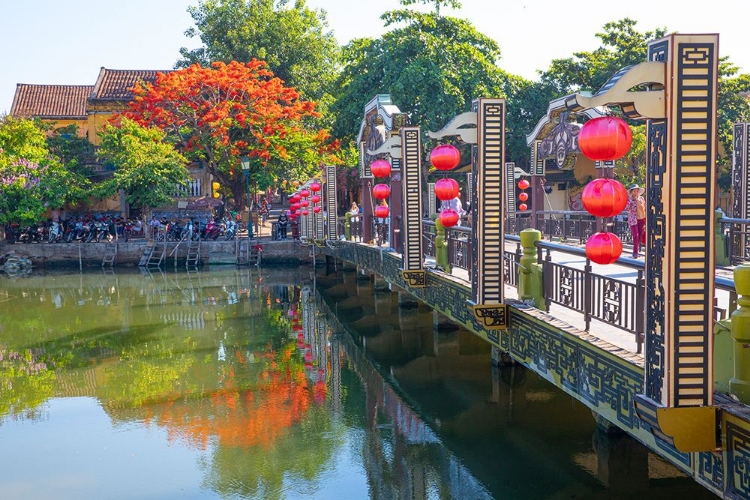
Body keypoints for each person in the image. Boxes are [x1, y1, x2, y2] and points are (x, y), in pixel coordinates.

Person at [626, 184, 646, 258]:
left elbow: (644, 207)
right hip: (633, 219)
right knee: (635, 235)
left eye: (637, 191)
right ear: (631, 192)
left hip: (641, 218)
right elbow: (627, 208)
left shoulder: (641, 198)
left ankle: (637, 251)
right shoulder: (629, 199)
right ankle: (635, 252)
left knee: (640, 235)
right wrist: (632, 201)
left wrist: (638, 201)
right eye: (634, 191)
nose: (635, 192)